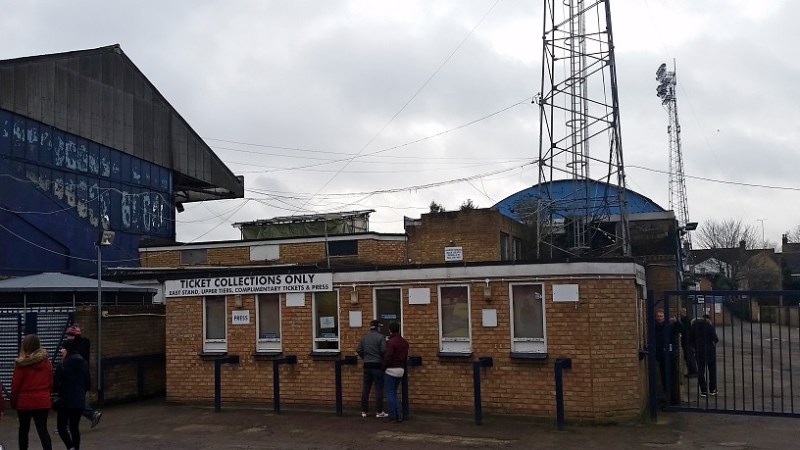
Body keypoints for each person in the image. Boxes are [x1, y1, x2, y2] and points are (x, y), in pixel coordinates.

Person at [11, 334, 53, 450]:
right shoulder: (47, 363)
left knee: (23, 430)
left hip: (25, 403)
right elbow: (50, 383)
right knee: (43, 430)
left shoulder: (21, 365)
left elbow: (15, 386)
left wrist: (13, 402)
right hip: (43, 401)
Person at [54, 339, 91, 450]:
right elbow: (88, 384)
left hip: (65, 401)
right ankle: (76, 448)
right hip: (79, 402)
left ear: (68, 350)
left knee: (61, 427)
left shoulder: (62, 365)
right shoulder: (84, 363)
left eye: (63, 348)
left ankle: (70, 447)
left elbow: (55, 384)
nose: (61, 351)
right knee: (74, 427)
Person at [64, 325, 102, 428]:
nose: (67, 337)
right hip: (83, 379)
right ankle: (91, 415)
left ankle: (91, 415)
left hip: (76, 380)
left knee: (73, 401)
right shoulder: (83, 345)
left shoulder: (75, 349)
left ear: (73, 336)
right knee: (74, 401)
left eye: (69, 335)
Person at [356, 320, 387, 418]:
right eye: (380, 327)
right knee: (378, 388)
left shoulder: (364, 338)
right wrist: (381, 359)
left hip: (367, 365)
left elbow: (359, 350)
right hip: (377, 365)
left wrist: (365, 358)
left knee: (366, 388)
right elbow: (383, 350)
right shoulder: (381, 337)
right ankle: (379, 411)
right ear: (377, 327)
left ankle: (364, 411)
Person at [654, 309, 682, 406]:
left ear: (664, 317)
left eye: (661, 316)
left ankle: (674, 402)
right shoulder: (656, 327)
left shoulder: (670, 326)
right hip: (662, 358)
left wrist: (676, 321)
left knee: (672, 380)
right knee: (665, 380)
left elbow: (680, 329)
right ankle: (668, 400)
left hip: (671, 357)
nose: (659, 318)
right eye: (658, 316)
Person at [382, 321, 409, 423]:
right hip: (400, 370)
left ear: (390, 330)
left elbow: (388, 357)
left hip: (390, 370)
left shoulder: (391, 342)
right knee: (394, 393)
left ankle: (394, 416)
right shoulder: (405, 342)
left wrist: (383, 367)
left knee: (390, 393)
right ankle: (399, 415)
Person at [689, 314, 719, 397]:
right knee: (712, 371)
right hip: (710, 351)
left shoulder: (693, 327)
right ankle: (712, 389)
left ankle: (703, 390)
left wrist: (694, 348)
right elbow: (715, 339)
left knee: (701, 371)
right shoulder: (710, 327)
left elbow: (690, 340)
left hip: (699, 352)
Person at [679, 307, 698, 377]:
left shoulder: (685, 320)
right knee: (687, 357)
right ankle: (691, 371)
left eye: (681, 312)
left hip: (687, 341)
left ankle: (694, 372)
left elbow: (686, 331)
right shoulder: (686, 320)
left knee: (689, 357)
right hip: (687, 341)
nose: (680, 314)